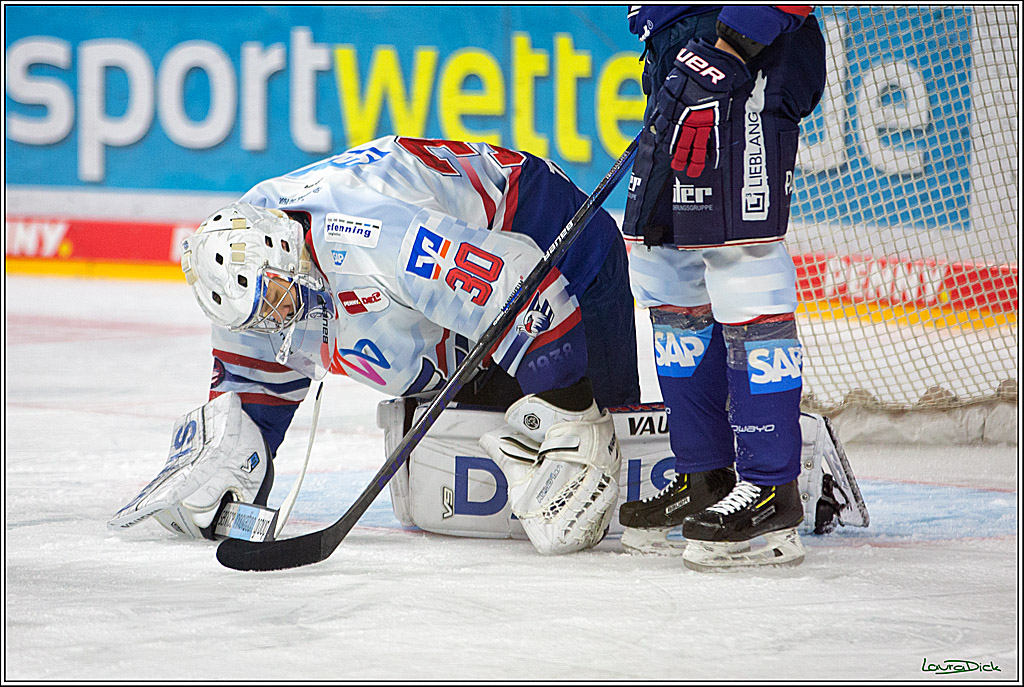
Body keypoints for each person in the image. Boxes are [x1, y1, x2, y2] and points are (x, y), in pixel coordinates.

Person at [113, 136, 640, 555]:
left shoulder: (376, 240)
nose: (277, 318)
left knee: (608, 477)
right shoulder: (249, 271)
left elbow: (521, 286)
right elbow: (252, 398)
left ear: (285, 253)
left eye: (276, 297)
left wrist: (575, 419)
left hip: (559, 248)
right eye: (260, 316)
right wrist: (229, 473)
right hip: (450, 315)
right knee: (495, 485)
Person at [616, 6, 826, 570]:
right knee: (661, 264)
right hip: (676, 51)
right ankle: (704, 475)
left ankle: (769, 486)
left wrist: (736, 42)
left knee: (744, 262)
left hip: (747, 54)